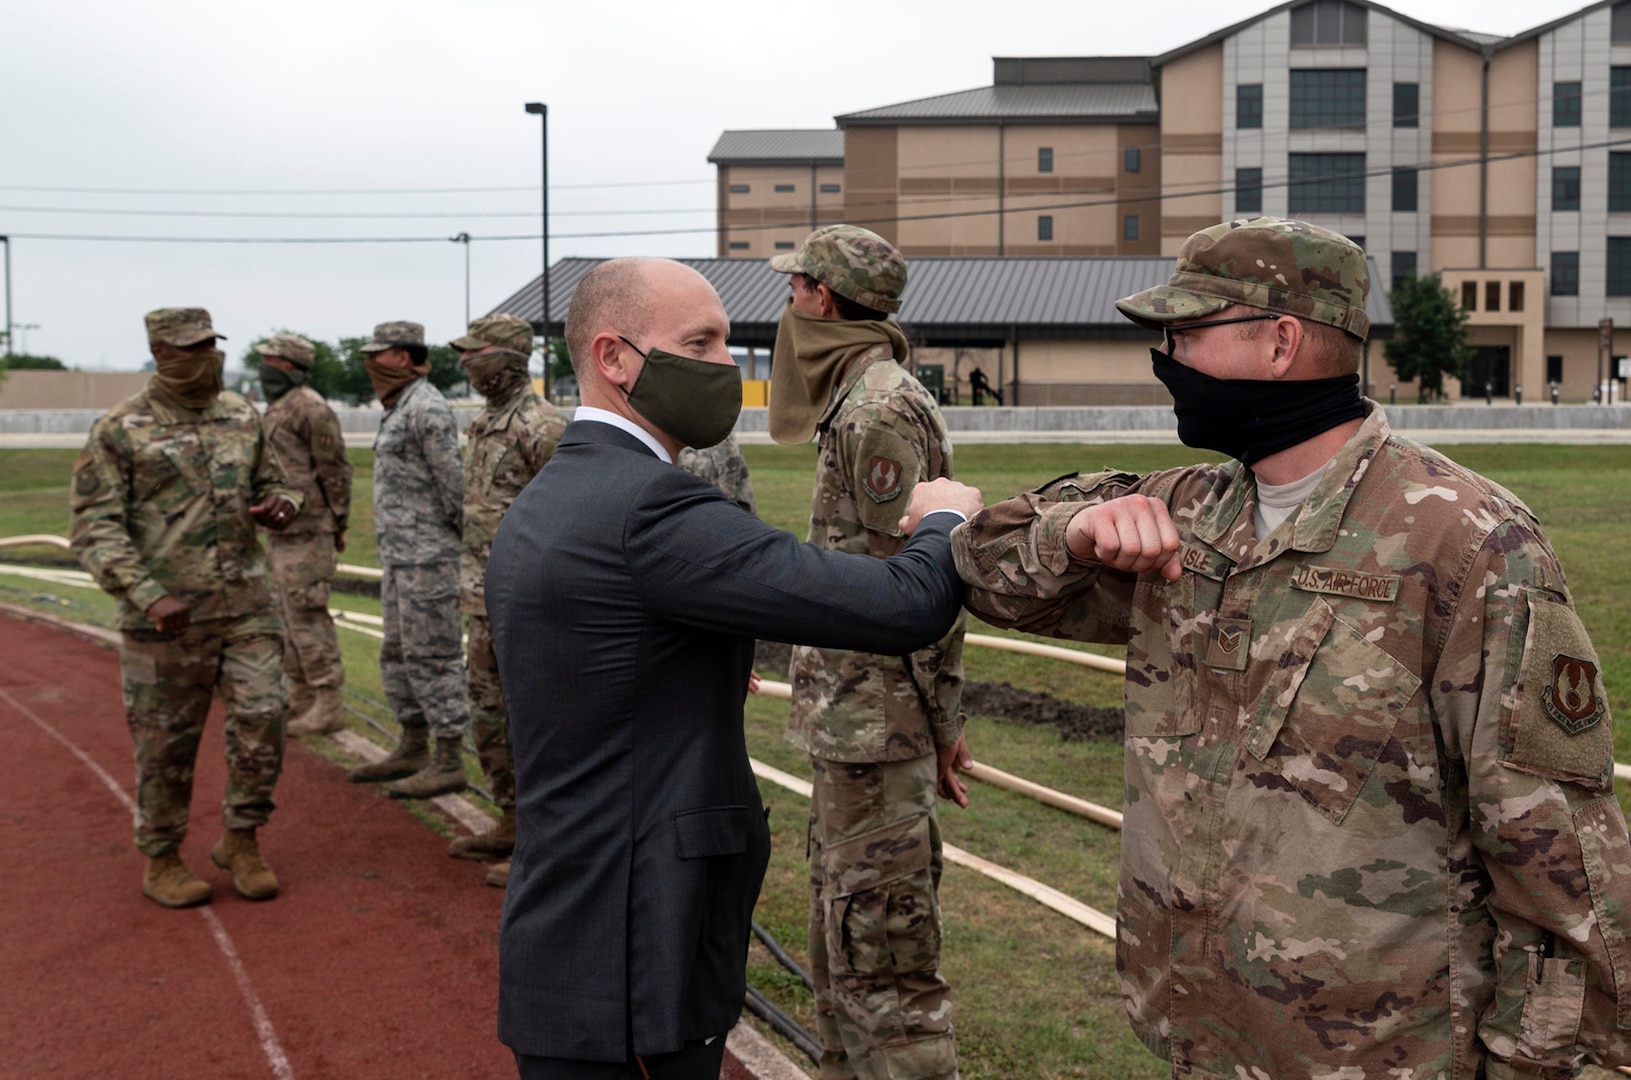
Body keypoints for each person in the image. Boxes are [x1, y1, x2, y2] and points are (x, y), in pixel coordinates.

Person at [949, 217, 1631, 1078]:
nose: (1165, 358)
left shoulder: (1468, 544)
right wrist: (1077, 531)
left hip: (1381, 1054)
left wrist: (1546, 1064)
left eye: (1187, 332)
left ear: (1279, 343)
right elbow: (982, 567)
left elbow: (1559, 859)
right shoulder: (1185, 513)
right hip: (1200, 1032)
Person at [485, 257, 982, 1080]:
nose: (727, 365)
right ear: (613, 358)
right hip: (643, 950)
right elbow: (900, 605)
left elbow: (601, 663)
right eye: (700, 342)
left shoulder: (552, 497)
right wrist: (940, 521)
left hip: (569, 935)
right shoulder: (652, 506)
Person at [768, 223, 967, 1080]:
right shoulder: (856, 397)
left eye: (795, 287)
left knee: (883, 958)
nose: (788, 303)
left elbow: (924, 583)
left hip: (879, 730)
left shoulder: (878, 407)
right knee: (842, 937)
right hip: (851, 725)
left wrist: (940, 723)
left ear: (821, 297)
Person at [70, 307, 300, 907]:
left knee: (265, 720)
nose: (206, 356)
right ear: (160, 352)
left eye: (210, 344)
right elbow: (95, 528)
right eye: (191, 347)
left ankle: (242, 838)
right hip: (165, 622)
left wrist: (281, 504)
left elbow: (274, 483)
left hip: (247, 606)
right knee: (166, 746)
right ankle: (163, 857)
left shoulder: (239, 415)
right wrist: (148, 595)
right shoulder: (121, 429)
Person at [448, 313, 567, 888]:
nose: (467, 362)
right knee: (489, 716)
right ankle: (510, 820)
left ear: (512, 356)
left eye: (478, 352)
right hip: (481, 597)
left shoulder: (541, 425)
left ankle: (544, 845)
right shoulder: (484, 423)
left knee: (533, 724)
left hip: (527, 605)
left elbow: (568, 519)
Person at [346, 321, 471, 799]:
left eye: (377, 354)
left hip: (428, 559)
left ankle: (449, 756)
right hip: (399, 556)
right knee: (396, 653)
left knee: (433, 655)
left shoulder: (426, 406)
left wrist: (455, 547)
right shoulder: (398, 406)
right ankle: (413, 743)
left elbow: (452, 484)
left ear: (401, 356)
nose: (369, 363)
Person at [257, 332, 353, 737]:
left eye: (272, 361)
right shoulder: (277, 408)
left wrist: (339, 522)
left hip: (310, 530)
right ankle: (299, 696)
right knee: (285, 617)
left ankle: (327, 701)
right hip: (281, 531)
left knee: (308, 615)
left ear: (291, 366)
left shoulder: (311, 408)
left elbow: (336, 469)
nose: (264, 368)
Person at [677, 433, 757, 516]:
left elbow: (744, 497)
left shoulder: (726, 437)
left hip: (728, 519)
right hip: (690, 521)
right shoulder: (675, 438)